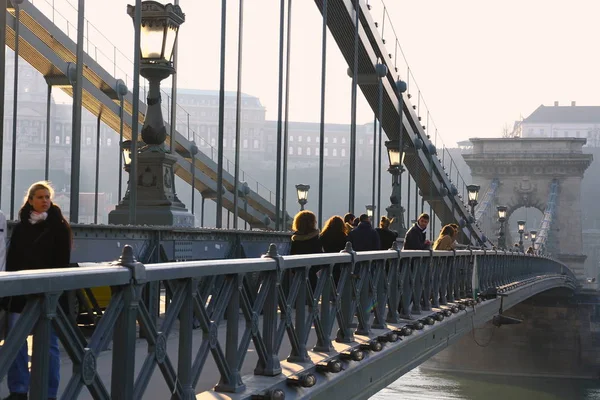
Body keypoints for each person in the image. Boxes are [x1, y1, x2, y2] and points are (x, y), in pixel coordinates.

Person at [3, 181, 71, 400]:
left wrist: (52, 290)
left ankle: (48, 394)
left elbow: (62, 262)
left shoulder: (58, 226)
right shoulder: (21, 227)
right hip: (20, 294)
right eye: (40, 197)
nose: (45, 201)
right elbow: (11, 260)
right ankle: (18, 391)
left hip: (45, 294)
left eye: (47, 197)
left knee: (49, 347)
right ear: (30, 200)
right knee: (15, 344)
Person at [290, 210, 323, 290]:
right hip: (311, 275)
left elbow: (292, 256)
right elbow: (320, 257)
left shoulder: (295, 239)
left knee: (297, 297)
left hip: (298, 274)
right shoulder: (315, 238)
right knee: (312, 299)